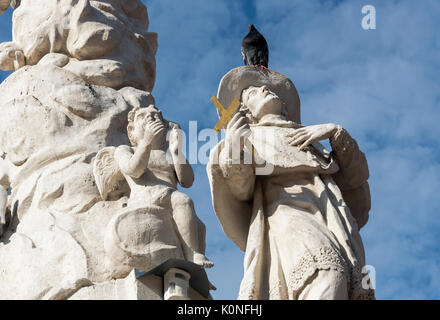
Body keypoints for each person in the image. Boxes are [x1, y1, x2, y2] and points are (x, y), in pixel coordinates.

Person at [207, 67, 374, 299]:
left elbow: (356, 180)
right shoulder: (248, 138)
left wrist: (335, 133)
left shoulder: (312, 139)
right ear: (246, 110)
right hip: (286, 212)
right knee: (327, 274)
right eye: (253, 92)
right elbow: (240, 189)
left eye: (266, 88)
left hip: (331, 216)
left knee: (343, 280)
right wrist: (236, 148)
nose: (265, 89)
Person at [95, 105, 213, 269]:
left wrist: (177, 151)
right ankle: (193, 255)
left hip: (170, 197)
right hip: (146, 196)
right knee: (183, 201)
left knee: (198, 224)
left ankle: (195, 265)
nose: (152, 118)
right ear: (132, 130)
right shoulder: (125, 149)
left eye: (156, 116)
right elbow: (133, 170)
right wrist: (146, 142)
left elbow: (187, 181)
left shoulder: (168, 154)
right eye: (144, 116)